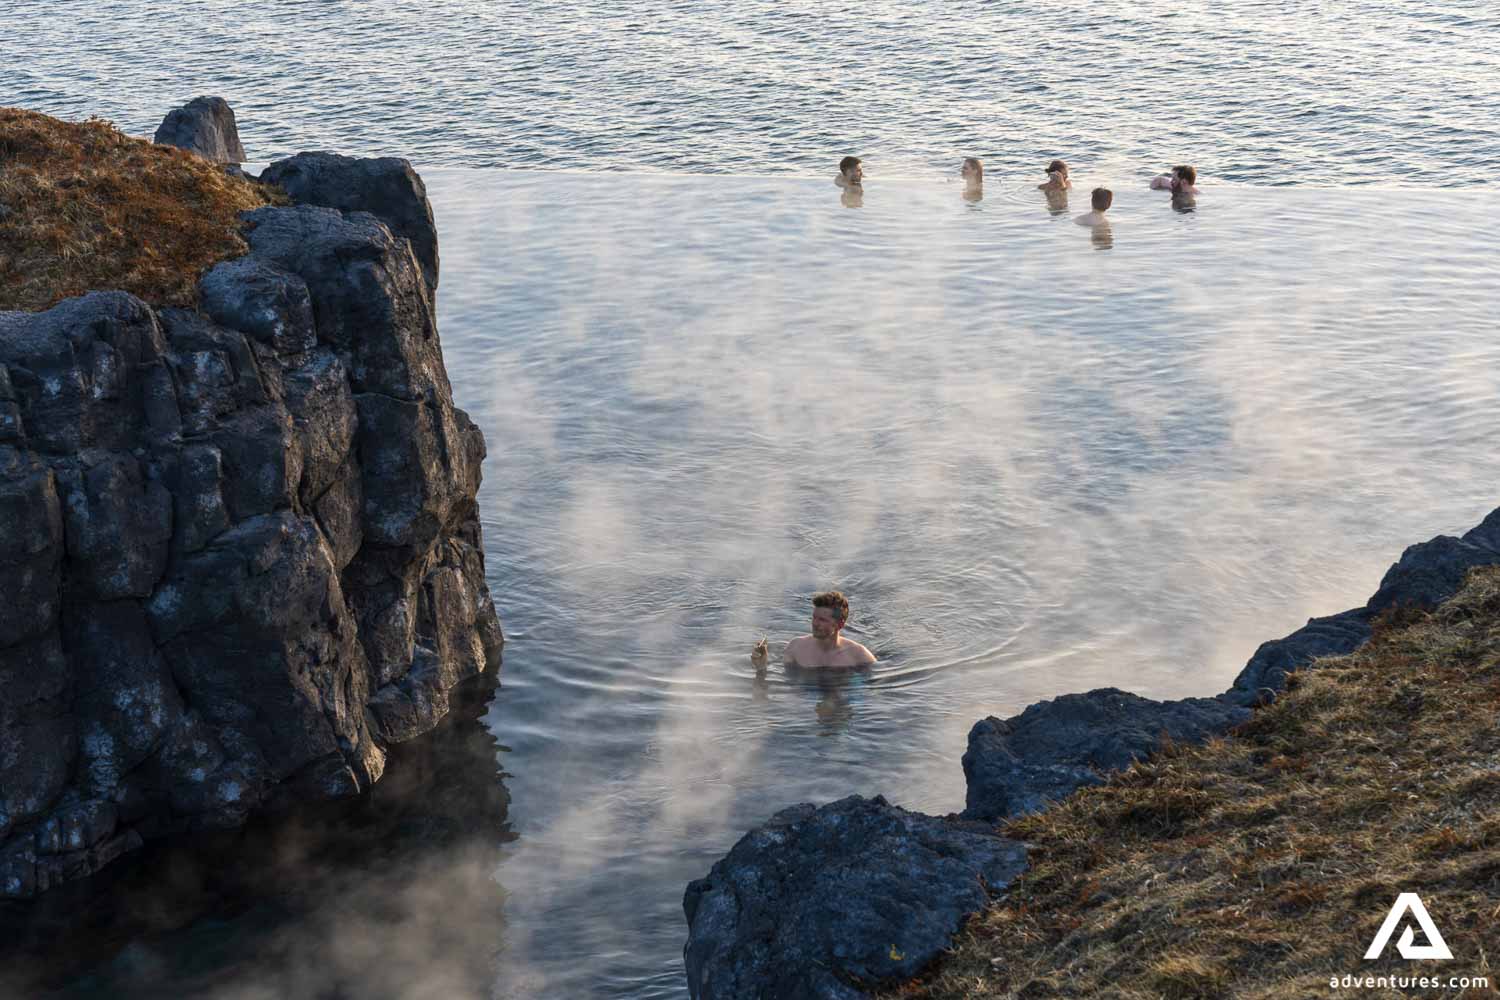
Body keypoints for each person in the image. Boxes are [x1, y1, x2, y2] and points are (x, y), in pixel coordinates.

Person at [751, 591, 876, 669]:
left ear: (839, 624)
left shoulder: (858, 655)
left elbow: (875, 694)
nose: (815, 624)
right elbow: (784, 689)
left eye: (822, 620)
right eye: (814, 617)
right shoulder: (796, 648)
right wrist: (761, 669)